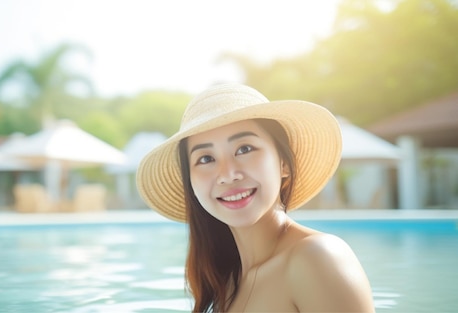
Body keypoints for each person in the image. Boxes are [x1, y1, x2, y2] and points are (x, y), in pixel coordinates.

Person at [136, 83, 375, 312]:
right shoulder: (227, 282)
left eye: (244, 149)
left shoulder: (318, 258)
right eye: (206, 159)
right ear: (191, 183)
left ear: (283, 163)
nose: (228, 175)